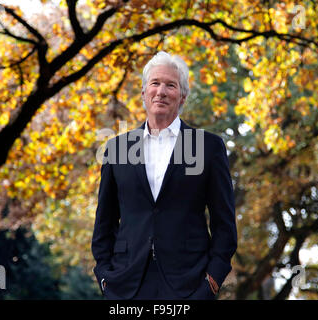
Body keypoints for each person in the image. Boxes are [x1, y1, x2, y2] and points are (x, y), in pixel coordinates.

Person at [91, 51, 237, 300]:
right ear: (144, 93)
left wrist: (211, 282)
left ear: (182, 97)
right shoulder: (116, 150)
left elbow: (224, 224)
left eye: (171, 85)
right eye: (155, 83)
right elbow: (104, 223)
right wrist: (106, 278)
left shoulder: (208, 148)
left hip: (190, 284)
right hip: (126, 287)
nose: (161, 91)